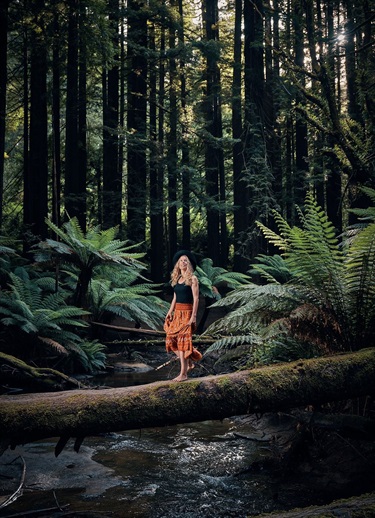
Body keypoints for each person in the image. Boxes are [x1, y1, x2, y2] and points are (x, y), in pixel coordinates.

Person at [164, 250, 202, 382]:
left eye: (185, 260)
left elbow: (196, 299)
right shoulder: (178, 278)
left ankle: (183, 374)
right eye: (181, 260)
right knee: (170, 338)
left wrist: (194, 317)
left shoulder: (193, 279)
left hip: (187, 312)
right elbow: (175, 296)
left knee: (182, 343)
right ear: (178, 264)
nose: (183, 262)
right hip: (177, 313)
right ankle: (189, 361)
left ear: (189, 263)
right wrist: (170, 311)